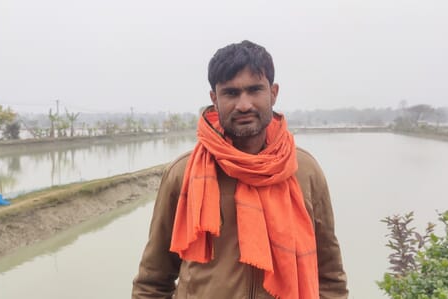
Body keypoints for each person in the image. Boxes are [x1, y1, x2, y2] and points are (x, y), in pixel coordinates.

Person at [132, 40, 348, 299]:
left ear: (273, 92)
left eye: (255, 90)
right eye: (231, 93)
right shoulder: (184, 174)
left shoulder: (303, 170)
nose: (244, 105)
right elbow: (153, 282)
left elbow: (329, 276)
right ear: (214, 99)